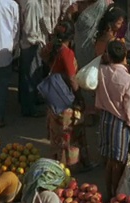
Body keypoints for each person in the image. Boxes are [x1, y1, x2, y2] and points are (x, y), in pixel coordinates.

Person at [43, 21, 94, 171]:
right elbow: (72, 78)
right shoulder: (66, 53)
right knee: (70, 134)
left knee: (57, 135)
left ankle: (58, 164)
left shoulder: (52, 48)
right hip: (66, 100)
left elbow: (44, 57)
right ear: (71, 36)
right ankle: (70, 165)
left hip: (55, 98)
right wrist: (80, 97)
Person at [96, 40, 130, 199]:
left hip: (105, 119)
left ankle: (108, 193)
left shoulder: (102, 71)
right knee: (118, 163)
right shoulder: (129, 81)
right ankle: (116, 196)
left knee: (109, 161)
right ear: (125, 55)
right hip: (120, 124)